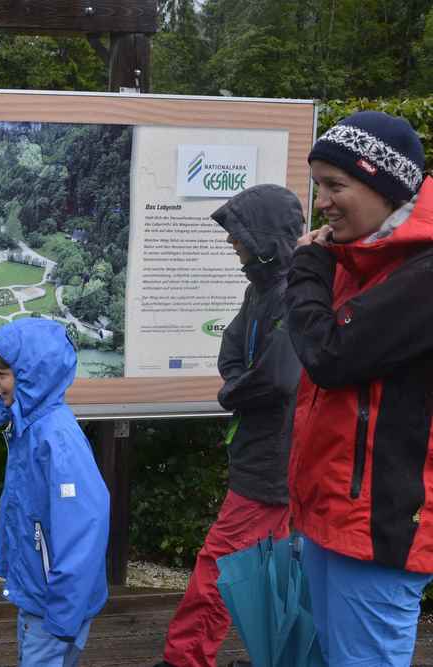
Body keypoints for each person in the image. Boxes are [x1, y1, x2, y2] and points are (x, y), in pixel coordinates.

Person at [285, 110, 433, 666]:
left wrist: (306, 269)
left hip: (378, 524)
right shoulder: (363, 258)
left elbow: (330, 355)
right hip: (337, 515)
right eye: (318, 184)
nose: (321, 201)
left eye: (335, 185)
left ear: (383, 185)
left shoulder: (423, 274)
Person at [153, 184, 305, 667]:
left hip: (270, 462)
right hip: (268, 456)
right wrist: (239, 384)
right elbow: (232, 350)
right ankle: (278, 655)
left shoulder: (291, 295)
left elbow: (279, 378)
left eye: (237, 233)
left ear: (261, 237)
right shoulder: (260, 290)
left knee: (220, 564)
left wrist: (232, 392)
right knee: (268, 569)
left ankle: (185, 660)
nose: (229, 242)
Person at [0, 318, 110, 667]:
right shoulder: (30, 428)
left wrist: (63, 613)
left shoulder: (56, 440)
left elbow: (86, 526)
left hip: (52, 606)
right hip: (40, 596)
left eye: (2, 373)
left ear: (32, 375)